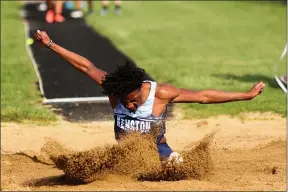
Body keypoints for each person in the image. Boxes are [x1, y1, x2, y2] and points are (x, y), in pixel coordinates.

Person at [34, 30, 265, 163]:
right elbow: (85, 67)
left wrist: (245, 95)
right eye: (126, 102)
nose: (131, 105)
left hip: (160, 153)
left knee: (175, 167)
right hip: (125, 156)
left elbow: (203, 96)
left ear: (141, 89)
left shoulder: (161, 93)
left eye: (134, 100)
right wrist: (50, 44)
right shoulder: (115, 88)